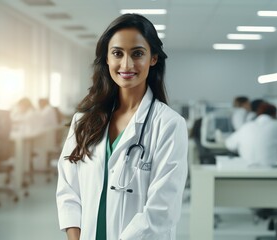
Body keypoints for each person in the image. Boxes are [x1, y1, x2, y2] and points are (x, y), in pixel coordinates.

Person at [56, 14, 188, 240]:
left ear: (153, 58)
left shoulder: (169, 124)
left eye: (137, 54)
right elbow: (68, 190)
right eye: (117, 53)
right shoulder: (83, 121)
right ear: (106, 59)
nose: (126, 64)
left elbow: (162, 210)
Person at [225, 102, 277, 167]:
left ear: (257, 114)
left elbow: (229, 144)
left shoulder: (246, 126)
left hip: (246, 172)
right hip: (273, 172)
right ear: (275, 114)